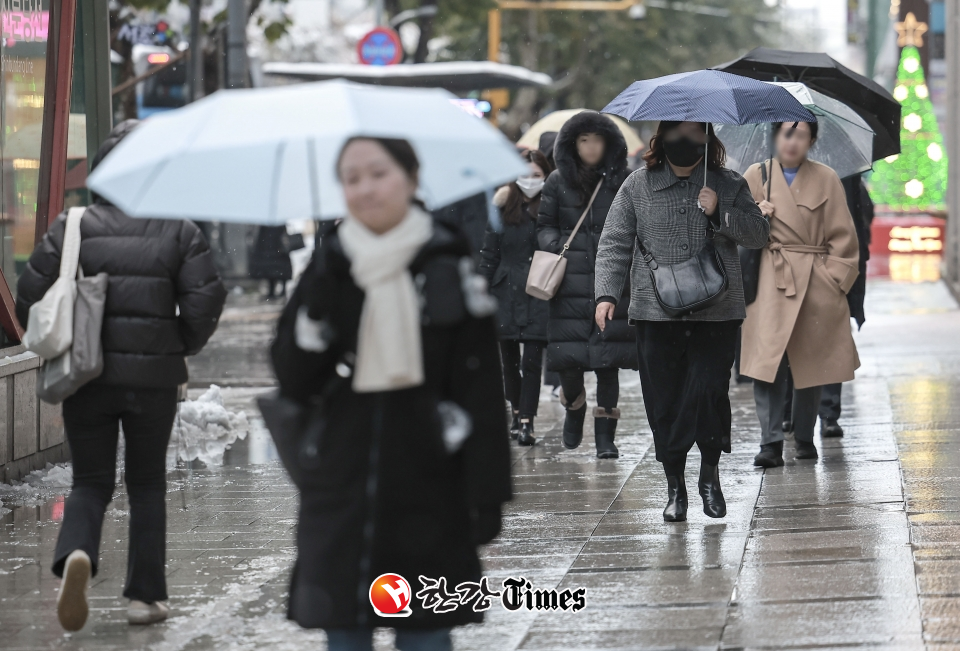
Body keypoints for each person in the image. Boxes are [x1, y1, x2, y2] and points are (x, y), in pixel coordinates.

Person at [270, 136, 512, 651]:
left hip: (430, 483)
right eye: (351, 178)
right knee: (346, 633)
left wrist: (487, 492)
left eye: (378, 173)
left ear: (410, 178)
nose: (365, 188)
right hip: (343, 482)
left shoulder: (446, 260)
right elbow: (294, 378)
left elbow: (480, 389)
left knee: (425, 637)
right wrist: (314, 307)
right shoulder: (331, 264)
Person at [15, 120, 227, 631]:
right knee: (148, 483)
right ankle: (144, 598)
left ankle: (77, 554)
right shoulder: (180, 230)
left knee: (90, 480)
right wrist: (179, 346)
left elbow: (29, 297)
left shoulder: (73, 226)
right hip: (153, 380)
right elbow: (206, 298)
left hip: (86, 375)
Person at [595, 120, 769, 522]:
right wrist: (605, 294)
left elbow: (760, 234)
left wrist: (720, 212)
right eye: (678, 132)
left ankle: (710, 475)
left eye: (696, 133)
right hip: (657, 313)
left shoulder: (728, 182)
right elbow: (615, 240)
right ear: (663, 136)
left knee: (709, 393)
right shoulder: (637, 185)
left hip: (717, 310)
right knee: (665, 400)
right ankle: (675, 485)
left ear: (709, 138)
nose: (686, 141)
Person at [741, 121, 860, 467]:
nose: (792, 142)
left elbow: (844, 238)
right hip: (769, 279)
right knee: (767, 363)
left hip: (815, 282)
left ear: (812, 140)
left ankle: (805, 436)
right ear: (775, 136)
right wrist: (755, 217)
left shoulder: (826, 178)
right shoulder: (756, 175)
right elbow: (736, 231)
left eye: (801, 135)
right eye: (786, 133)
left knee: (812, 363)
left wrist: (834, 280)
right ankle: (770, 441)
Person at [537, 111, 636, 459]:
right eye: (583, 140)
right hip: (568, 283)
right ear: (572, 144)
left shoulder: (623, 180)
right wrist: (558, 246)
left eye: (596, 140)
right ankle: (574, 407)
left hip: (610, 283)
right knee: (569, 360)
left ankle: (606, 436)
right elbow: (544, 225)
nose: (591, 147)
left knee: (608, 361)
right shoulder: (556, 181)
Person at [478, 149, 552, 446]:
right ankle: (516, 409)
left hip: (538, 290)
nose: (530, 181)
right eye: (525, 175)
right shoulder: (501, 206)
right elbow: (489, 253)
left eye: (537, 175)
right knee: (509, 361)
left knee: (533, 360)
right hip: (504, 289)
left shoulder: (551, 207)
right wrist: (482, 288)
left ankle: (527, 420)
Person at [248, 225, 296, 299]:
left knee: (275, 269)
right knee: (274, 270)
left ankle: (276, 291)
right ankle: (276, 291)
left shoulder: (268, 224)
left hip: (273, 247)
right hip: (274, 247)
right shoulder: (274, 223)